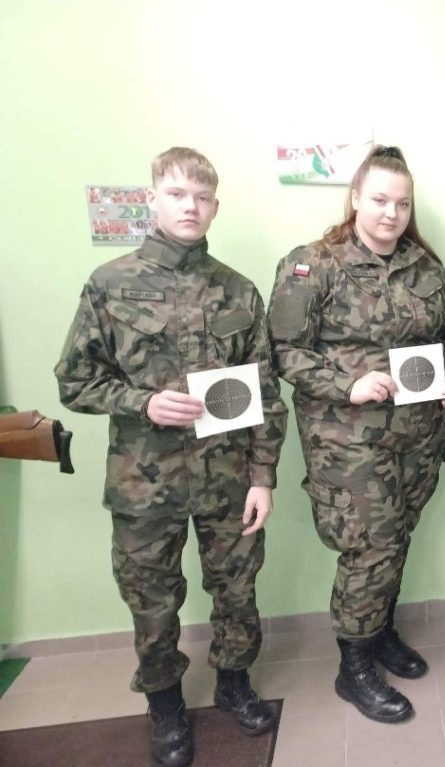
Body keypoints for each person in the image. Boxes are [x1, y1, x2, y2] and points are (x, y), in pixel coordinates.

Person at [55, 147, 288, 767]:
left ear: (215, 206)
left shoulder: (237, 289)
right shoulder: (110, 284)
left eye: (202, 197)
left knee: (237, 590)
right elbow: (74, 382)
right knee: (152, 602)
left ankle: (234, 683)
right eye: (178, 194)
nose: (191, 207)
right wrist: (143, 402)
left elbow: (266, 395)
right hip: (144, 483)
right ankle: (164, 705)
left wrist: (263, 477)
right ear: (152, 199)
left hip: (228, 479)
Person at [267, 145, 445, 724]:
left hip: (418, 436)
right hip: (348, 441)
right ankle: (353, 668)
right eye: (379, 200)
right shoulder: (313, 265)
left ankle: (379, 633)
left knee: (396, 538)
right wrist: (346, 383)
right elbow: (282, 350)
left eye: (402, 203)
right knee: (369, 547)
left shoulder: (427, 270)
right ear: (355, 198)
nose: (391, 213)